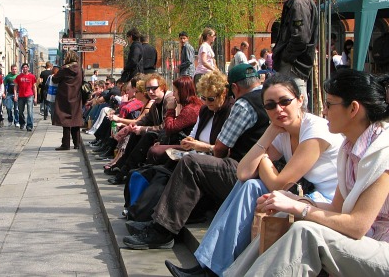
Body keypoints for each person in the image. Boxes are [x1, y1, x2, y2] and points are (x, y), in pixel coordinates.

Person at [165, 74, 343, 277]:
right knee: (249, 185)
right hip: (307, 195)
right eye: (270, 106)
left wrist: (265, 158)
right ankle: (208, 266)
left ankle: (210, 268)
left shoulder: (314, 130)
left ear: (300, 100)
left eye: (285, 102)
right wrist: (269, 133)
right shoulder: (281, 131)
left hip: (329, 203)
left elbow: (280, 184)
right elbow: (243, 172)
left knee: (254, 186)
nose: (279, 109)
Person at [225, 69, 389, 276]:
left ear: (353, 109)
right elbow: (336, 208)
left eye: (329, 104)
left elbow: (357, 226)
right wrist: (294, 201)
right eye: (270, 105)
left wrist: (297, 206)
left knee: (305, 231)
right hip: (366, 242)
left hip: (380, 247)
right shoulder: (349, 149)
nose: (324, 111)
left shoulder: (382, 151)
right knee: (285, 212)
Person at [122, 64, 269, 250]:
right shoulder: (264, 98)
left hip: (245, 170)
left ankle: (162, 230)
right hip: (257, 170)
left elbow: (220, 149)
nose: (207, 101)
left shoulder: (243, 104)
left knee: (190, 163)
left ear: (233, 88)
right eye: (204, 98)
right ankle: (158, 221)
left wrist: (203, 147)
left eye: (211, 98)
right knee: (176, 160)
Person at [272, 0, 318, 110]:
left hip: (294, 66)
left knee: (295, 107)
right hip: (293, 64)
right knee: (290, 104)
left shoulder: (299, 2)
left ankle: (301, 132)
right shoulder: (298, 0)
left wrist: (286, 57)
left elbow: (300, 38)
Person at [52, 51, 83, 150]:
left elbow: (55, 79)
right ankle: (77, 143)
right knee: (75, 120)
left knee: (65, 120)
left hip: (64, 97)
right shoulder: (79, 69)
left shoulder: (64, 69)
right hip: (76, 97)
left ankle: (65, 144)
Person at [15, 63, 37, 131]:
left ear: (28, 68)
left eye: (26, 67)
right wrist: (15, 95)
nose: (25, 68)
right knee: (20, 111)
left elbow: (34, 87)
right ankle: (22, 123)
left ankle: (29, 125)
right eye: (24, 67)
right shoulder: (19, 77)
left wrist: (35, 97)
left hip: (29, 95)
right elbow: (15, 86)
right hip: (21, 96)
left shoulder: (32, 76)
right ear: (22, 68)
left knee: (29, 111)